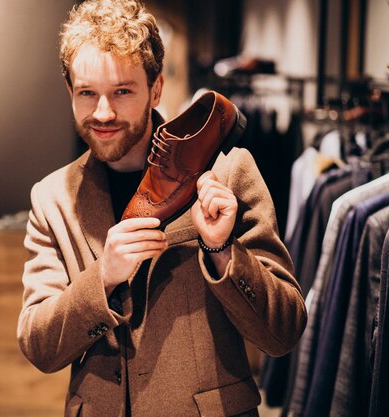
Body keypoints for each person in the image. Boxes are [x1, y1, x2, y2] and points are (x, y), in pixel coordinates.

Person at [17, 1, 307, 416]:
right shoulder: (52, 198)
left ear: (155, 88)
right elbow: (39, 346)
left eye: (122, 91)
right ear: (70, 92)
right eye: (87, 93)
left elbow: (284, 332)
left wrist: (223, 251)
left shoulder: (227, 172)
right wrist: (102, 279)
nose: (103, 112)